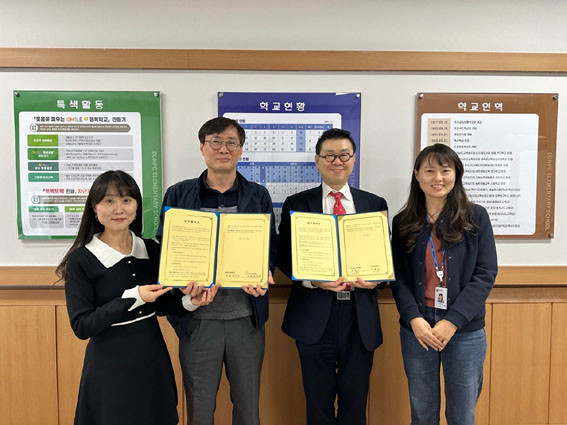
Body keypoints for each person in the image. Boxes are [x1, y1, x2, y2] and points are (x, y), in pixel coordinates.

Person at [156, 117, 277, 425]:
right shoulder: (178, 194)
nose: (224, 149)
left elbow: (270, 246)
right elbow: (165, 246)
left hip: (246, 318)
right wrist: (177, 281)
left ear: (241, 149)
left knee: (248, 409)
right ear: (202, 147)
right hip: (197, 318)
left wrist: (264, 272)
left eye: (231, 143)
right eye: (216, 142)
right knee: (199, 410)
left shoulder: (258, 195)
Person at [277, 128, 387, 425]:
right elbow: (283, 255)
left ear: (354, 159)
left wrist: (377, 278)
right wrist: (312, 280)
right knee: (317, 404)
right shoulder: (297, 204)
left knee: (355, 404)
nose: (337, 161)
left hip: (359, 316)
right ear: (317, 160)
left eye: (344, 155)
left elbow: (386, 255)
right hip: (314, 315)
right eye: (329, 155)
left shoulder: (374, 204)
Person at [56, 170, 182, 425]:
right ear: (95, 207)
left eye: (126, 200)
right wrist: (133, 297)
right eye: (109, 200)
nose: (119, 209)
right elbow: (82, 325)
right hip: (109, 367)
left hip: (152, 359)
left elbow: (160, 304)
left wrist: (191, 301)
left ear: (136, 206)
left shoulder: (151, 249)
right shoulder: (81, 260)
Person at [391, 143, 498, 425]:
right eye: (429, 171)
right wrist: (413, 318)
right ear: (417, 175)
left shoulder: (476, 217)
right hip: (418, 328)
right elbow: (398, 276)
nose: (438, 178)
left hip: (464, 328)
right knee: (422, 414)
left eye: (445, 170)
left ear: (456, 175)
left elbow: (485, 273)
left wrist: (452, 321)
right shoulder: (403, 221)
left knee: (462, 415)